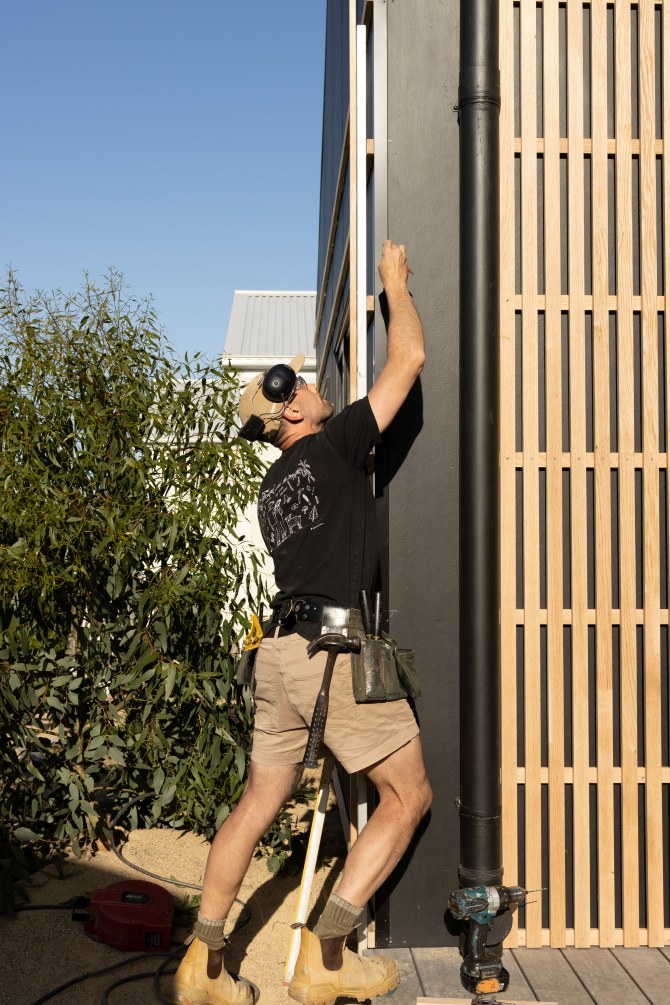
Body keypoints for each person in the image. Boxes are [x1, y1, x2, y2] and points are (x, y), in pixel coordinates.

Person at [168, 240, 432, 1005]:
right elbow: (409, 359)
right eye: (308, 385)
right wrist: (393, 284)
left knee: (257, 803)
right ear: (291, 409)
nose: (319, 387)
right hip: (331, 650)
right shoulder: (336, 445)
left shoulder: (271, 490)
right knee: (408, 795)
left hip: (278, 653)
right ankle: (327, 955)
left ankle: (202, 966)